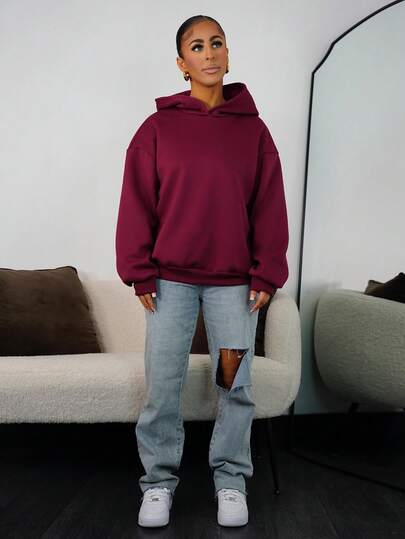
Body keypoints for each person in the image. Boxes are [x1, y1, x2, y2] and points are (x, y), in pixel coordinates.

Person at [115, 14, 289, 528]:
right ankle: (158, 482)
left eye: (217, 43)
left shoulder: (254, 132)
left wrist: (266, 273)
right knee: (163, 385)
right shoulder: (157, 129)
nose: (209, 52)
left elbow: (269, 206)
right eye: (197, 46)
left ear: (228, 55)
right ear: (182, 63)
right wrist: (139, 270)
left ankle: (231, 479)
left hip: (233, 288)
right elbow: (137, 201)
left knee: (233, 384)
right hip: (169, 284)